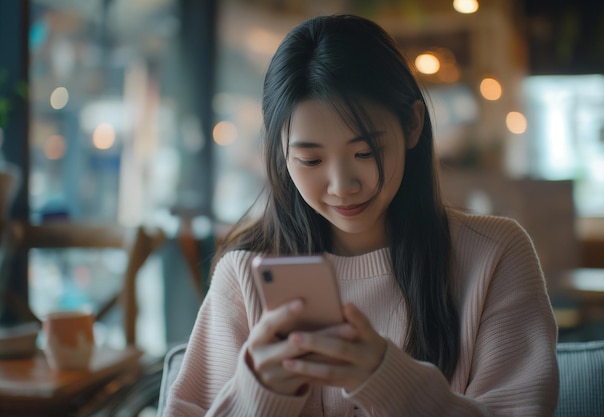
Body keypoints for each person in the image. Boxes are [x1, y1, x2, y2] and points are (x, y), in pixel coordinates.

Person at [163, 14, 559, 417]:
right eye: (310, 159)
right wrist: (260, 392)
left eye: (364, 152)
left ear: (412, 125)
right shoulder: (246, 274)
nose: (342, 185)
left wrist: (385, 377)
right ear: (281, 153)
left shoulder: (493, 257)